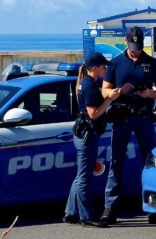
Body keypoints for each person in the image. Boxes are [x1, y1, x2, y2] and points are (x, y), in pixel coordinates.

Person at [100, 26, 156, 224]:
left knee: (149, 162)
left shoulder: (152, 62)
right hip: (122, 118)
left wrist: (149, 94)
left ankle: (153, 206)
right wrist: (118, 91)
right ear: (126, 43)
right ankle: (110, 208)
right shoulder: (115, 63)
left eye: (138, 47)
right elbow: (105, 91)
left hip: (144, 118)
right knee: (116, 162)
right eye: (132, 46)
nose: (136, 50)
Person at [64, 52, 121, 228]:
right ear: (94, 68)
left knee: (80, 176)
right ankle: (86, 215)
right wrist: (110, 99)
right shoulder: (89, 85)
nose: (106, 69)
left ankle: (71, 212)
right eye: (103, 66)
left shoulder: (87, 83)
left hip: (82, 133)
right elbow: (93, 113)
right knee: (84, 178)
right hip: (87, 135)